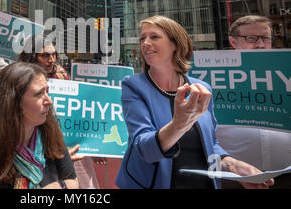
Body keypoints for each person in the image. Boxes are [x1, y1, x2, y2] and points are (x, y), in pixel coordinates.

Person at [116, 15, 274, 189]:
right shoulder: (133, 86)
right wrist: (179, 123)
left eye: (154, 37)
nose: (145, 43)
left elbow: (210, 144)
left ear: (175, 44)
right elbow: (144, 149)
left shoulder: (202, 88)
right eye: (142, 38)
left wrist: (233, 166)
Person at [18, 35, 102, 189]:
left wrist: (93, 147)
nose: (51, 59)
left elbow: (77, 113)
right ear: (32, 55)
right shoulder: (19, 79)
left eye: (53, 54)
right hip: (37, 144)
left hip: (68, 142)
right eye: (45, 55)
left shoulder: (61, 74)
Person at [218, 15, 291, 188]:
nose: (260, 44)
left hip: (286, 175)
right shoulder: (215, 78)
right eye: (251, 38)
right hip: (234, 178)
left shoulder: (286, 71)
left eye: (265, 38)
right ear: (233, 42)